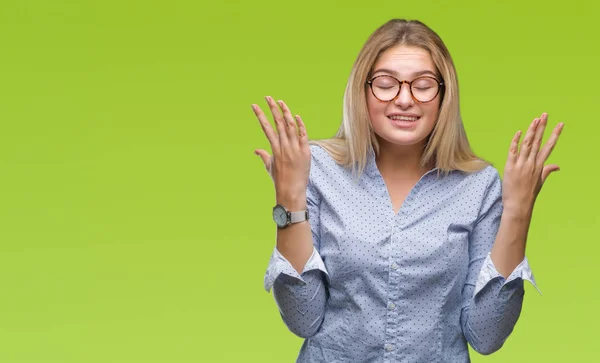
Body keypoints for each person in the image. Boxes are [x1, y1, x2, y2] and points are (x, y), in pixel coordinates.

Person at [251, 19, 563, 363]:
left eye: (423, 84)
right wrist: (290, 197)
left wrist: (517, 212)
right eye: (385, 83)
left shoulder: (478, 186)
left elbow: (486, 335)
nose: (404, 99)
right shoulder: (316, 170)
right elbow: (302, 319)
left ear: (444, 94)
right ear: (362, 90)